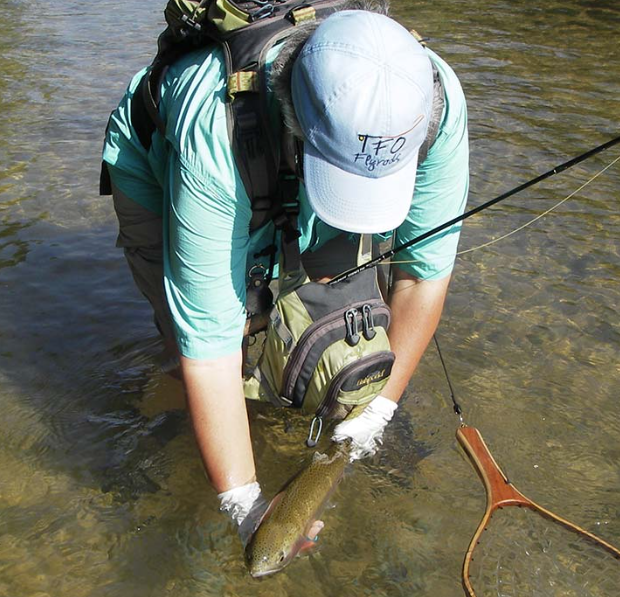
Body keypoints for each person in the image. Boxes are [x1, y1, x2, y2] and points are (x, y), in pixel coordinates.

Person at [101, 4, 469, 541]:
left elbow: (422, 275)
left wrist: (381, 410)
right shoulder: (213, 125)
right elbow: (208, 343)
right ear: (295, 118)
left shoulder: (433, 100)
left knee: (323, 296)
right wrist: (243, 503)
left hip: (286, 149)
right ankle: (206, 429)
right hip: (164, 164)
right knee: (206, 327)